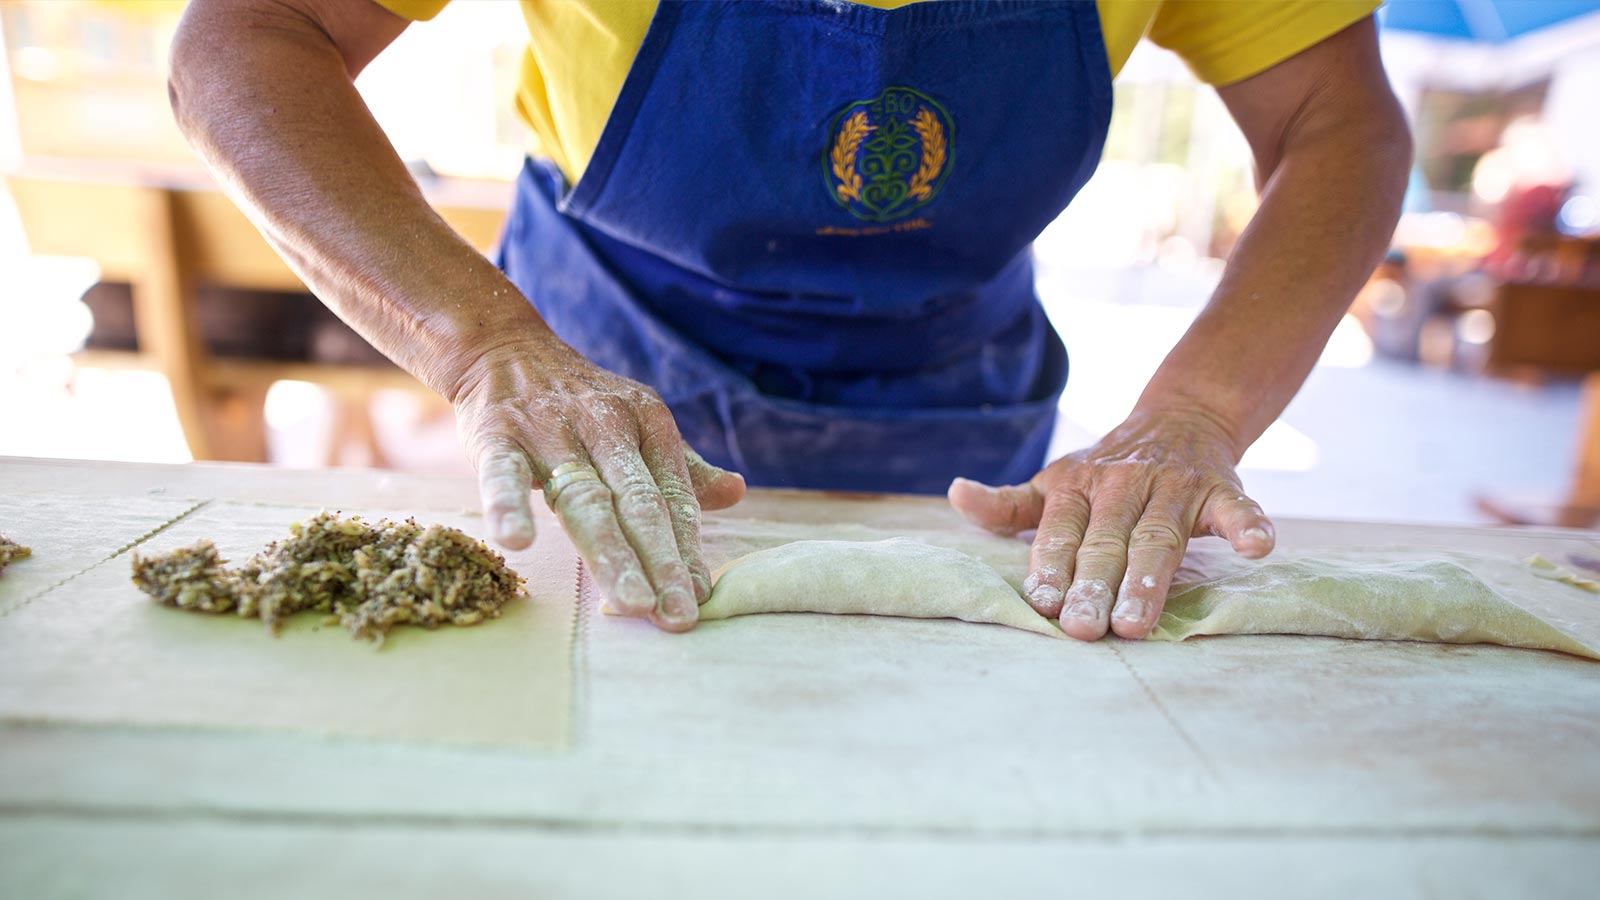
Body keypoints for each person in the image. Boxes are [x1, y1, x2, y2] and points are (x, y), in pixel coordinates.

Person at [168, 0, 1411, 640]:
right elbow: (249, 34)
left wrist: (1196, 413)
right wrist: (483, 343)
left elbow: (1335, 119)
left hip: (955, 382)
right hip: (591, 352)